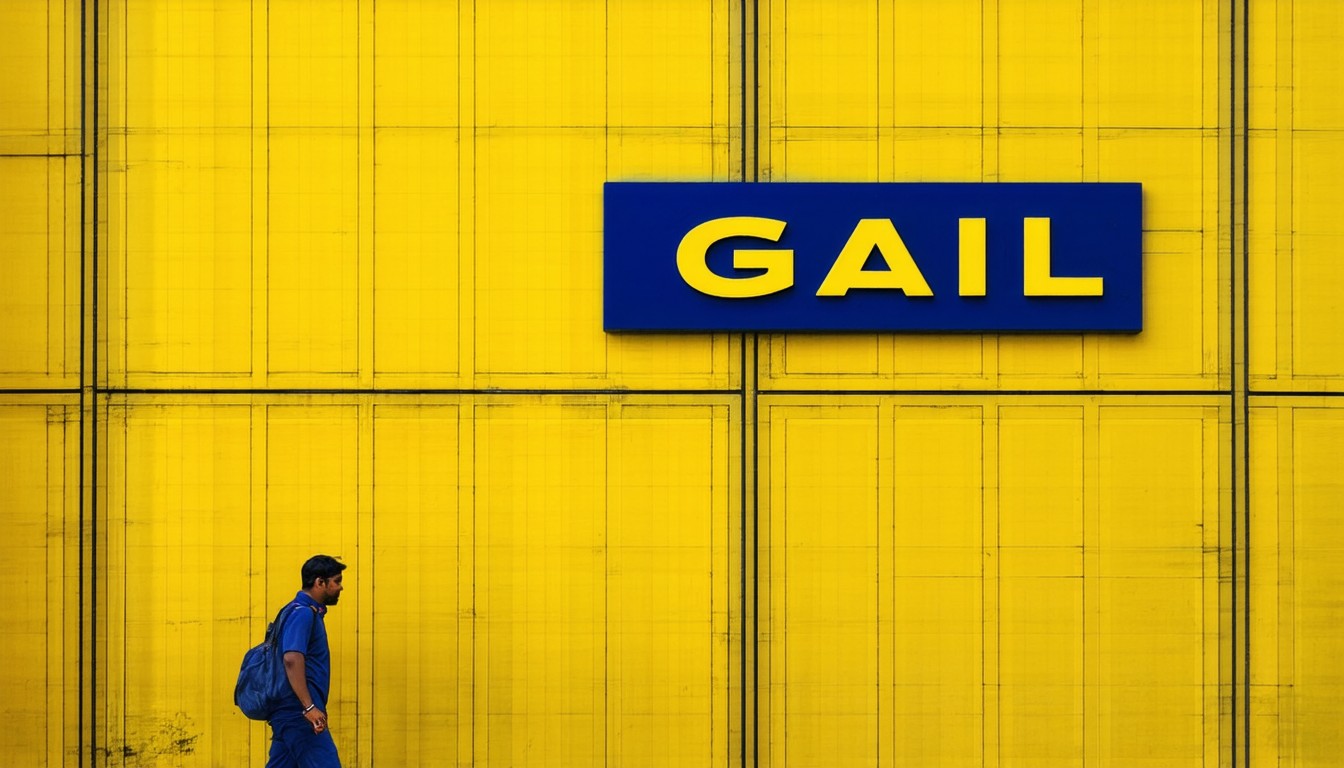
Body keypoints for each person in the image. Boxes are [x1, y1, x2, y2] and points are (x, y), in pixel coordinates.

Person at [267, 554, 347, 768]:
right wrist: (309, 707)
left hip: (289, 713)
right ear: (320, 582)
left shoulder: (292, 610)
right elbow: (292, 659)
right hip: (299, 714)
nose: (341, 587)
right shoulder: (303, 613)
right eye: (337, 581)